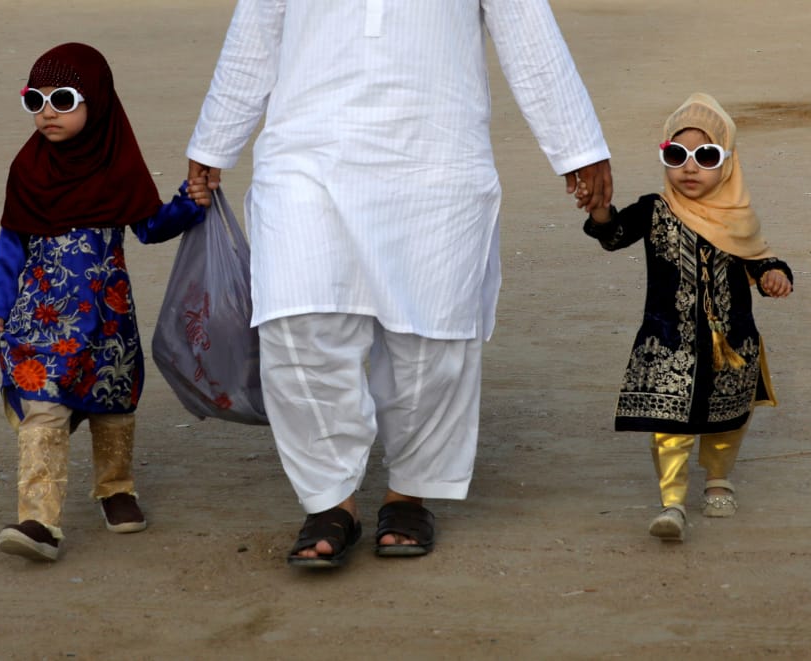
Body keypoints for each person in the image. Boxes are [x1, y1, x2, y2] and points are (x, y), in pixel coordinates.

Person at [185, 1, 612, 568]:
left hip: (436, 157)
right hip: (305, 153)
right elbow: (256, 29)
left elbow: (527, 29)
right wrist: (214, 141)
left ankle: (408, 492)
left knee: (430, 333)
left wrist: (579, 146)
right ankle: (330, 499)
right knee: (297, 323)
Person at [0, 42, 202, 562]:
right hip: (39, 320)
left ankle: (115, 489)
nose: (47, 112)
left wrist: (189, 204)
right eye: (34, 100)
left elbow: (149, 226)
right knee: (42, 408)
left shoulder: (117, 167)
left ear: (96, 102)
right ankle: (38, 521)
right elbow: (11, 244)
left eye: (62, 99)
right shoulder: (27, 170)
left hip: (107, 320)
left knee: (113, 401)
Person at [579, 92, 793, 542]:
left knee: (726, 421)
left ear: (727, 162)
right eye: (677, 155)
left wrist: (774, 275)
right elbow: (614, 235)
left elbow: (761, 258)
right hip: (668, 341)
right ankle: (672, 502)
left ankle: (718, 479)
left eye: (706, 156)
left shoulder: (738, 219)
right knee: (668, 426)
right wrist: (599, 207)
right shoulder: (655, 208)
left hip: (730, 342)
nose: (690, 168)